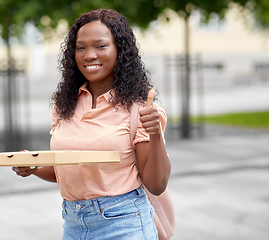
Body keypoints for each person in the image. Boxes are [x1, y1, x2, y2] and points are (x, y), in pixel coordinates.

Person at [13, 8, 172, 240]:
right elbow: (68, 169)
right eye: (81, 47)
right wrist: (33, 166)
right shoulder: (65, 105)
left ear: (120, 51)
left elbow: (156, 184)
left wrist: (155, 134)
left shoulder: (139, 109)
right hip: (73, 224)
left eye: (100, 46)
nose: (89, 55)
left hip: (124, 224)